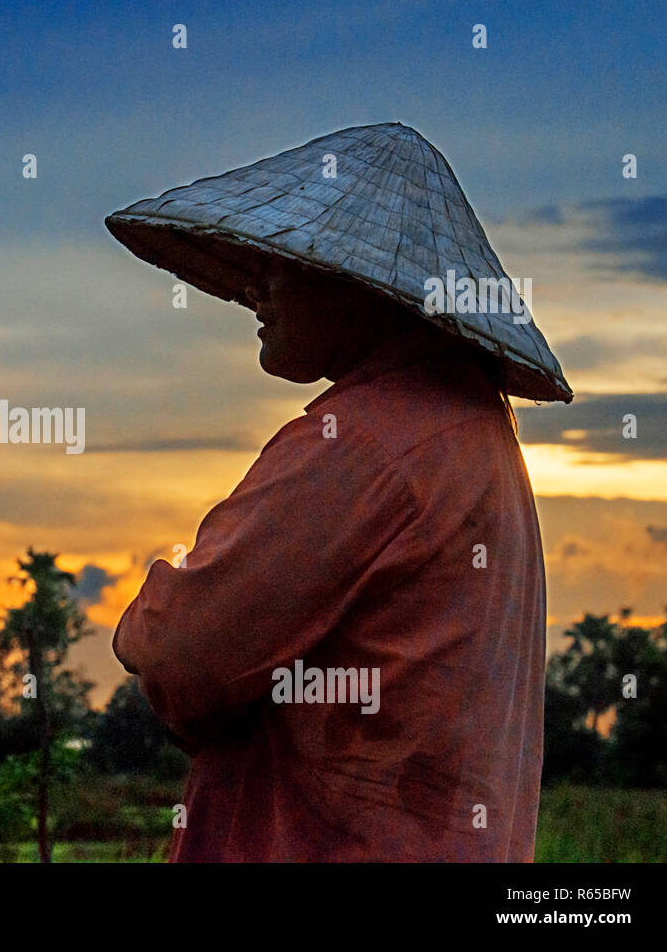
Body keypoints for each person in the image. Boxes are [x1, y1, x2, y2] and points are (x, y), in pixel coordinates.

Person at [105, 123, 571, 861]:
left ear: (358, 282)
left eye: (283, 261)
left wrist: (140, 629)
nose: (254, 283)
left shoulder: (365, 442)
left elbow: (178, 653)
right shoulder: (476, 439)